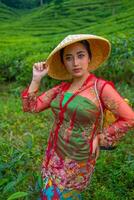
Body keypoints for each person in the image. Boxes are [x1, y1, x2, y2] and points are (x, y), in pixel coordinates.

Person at [21, 34, 134, 200]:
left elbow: (129, 118)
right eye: (69, 58)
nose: (75, 63)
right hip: (53, 154)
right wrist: (36, 79)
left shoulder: (100, 88)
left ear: (89, 57)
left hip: (78, 159)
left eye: (80, 55)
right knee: (47, 194)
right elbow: (31, 107)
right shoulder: (61, 89)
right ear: (64, 63)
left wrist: (101, 137)